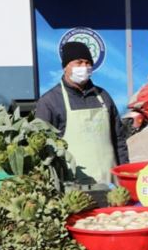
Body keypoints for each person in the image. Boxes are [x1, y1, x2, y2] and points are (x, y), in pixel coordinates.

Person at [35, 41, 128, 184]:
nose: (84, 67)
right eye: (78, 63)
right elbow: (41, 149)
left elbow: (119, 138)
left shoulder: (103, 96)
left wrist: (125, 173)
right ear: (65, 67)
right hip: (73, 187)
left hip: (111, 183)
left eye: (87, 63)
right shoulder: (50, 101)